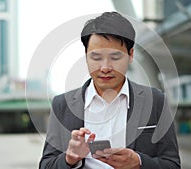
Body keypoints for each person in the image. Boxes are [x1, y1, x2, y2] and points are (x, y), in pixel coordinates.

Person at [40, 12, 180, 169]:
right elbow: (46, 165)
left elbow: (172, 164)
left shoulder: (155, 101)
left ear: (131, 55)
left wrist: (139, 163)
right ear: (86, 57)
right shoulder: (62, 105)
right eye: (96, 58)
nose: (105, 68)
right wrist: (69, 158)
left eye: (115, 57)